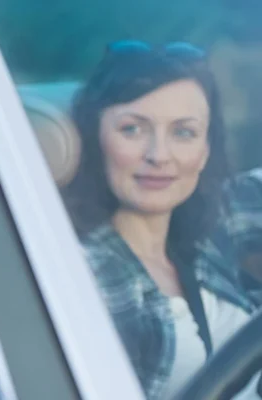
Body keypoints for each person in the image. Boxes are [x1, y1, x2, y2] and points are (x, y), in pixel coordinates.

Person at [64, 40, 259, 399]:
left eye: (183, 132)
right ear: (93, 139)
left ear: (204, 151)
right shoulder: (89, 275)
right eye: (133, 129)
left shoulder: (210, 230)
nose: (159, 155)